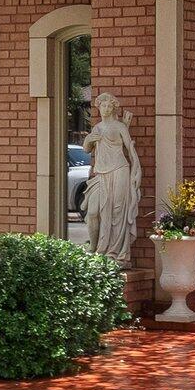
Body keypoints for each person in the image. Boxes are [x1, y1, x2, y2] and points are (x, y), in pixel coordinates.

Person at [79, 91, 142, 262]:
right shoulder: (97, 128)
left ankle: (115, 252)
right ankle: (94, 247)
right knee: (93, 212)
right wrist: (89, 139)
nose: (105, 109)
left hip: (120, 170)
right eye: (103, 105)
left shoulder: (120, 126)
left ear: (113, 108)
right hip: (101, 174)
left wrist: (137, 170)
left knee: (117, 212)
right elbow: (86, 149)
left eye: (109, 105)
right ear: (98, 107)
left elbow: (130, 149)